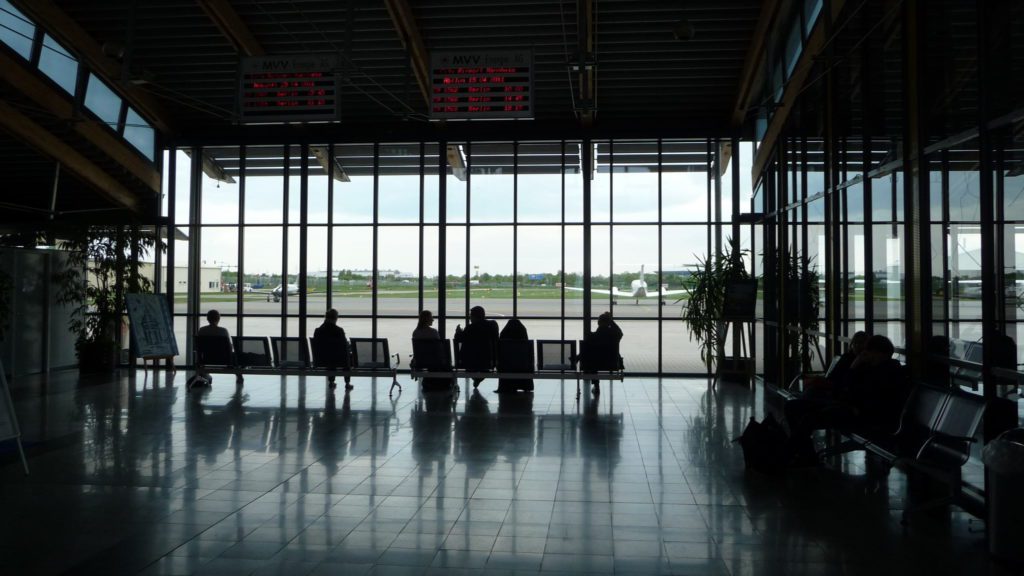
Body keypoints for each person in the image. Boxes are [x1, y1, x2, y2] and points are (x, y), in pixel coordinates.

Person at [577, 312, 623, 395]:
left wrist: (578, 357)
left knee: (592, 358)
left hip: (593, 364)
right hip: (611, 363)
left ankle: (596, 385)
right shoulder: (614, 336)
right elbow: (620, 332)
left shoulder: (591, 336)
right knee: (594, 358)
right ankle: (596, 385)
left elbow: (584, 351)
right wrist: (611, 320)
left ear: (598, 323)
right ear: (609, 323)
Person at [454, 306, 499, 389]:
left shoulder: (470, 328)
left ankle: (476, 378)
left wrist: (458, 332)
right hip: (488, 362)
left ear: (474, 317)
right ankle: (478, 378)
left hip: (469, 363)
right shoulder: (492, 325)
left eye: (471, 316)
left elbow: (459, 340)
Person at [190, 309, 235, 389]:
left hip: (207, 359)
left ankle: (203, 375)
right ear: (218, 319)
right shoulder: (223, 331)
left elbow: (198, 348)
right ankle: (239, 377)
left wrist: (200, 361)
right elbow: (229, 348)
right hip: (223, 360)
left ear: (207, 319)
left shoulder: (202, 330)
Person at [313, 308, 352, 391]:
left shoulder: (318, 331)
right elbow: (344, 346)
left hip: (321, 360)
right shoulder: (339, 331)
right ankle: (347, 382)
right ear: (335, 318)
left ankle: (331, 381)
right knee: (346, 355)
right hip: (338, 360)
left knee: (330, 354)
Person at [496, 317, 533, 394]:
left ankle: (507, 387)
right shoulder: (523, 342)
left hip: (506, 368)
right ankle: (524, 386)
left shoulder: (504, 338)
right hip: (523, 368)